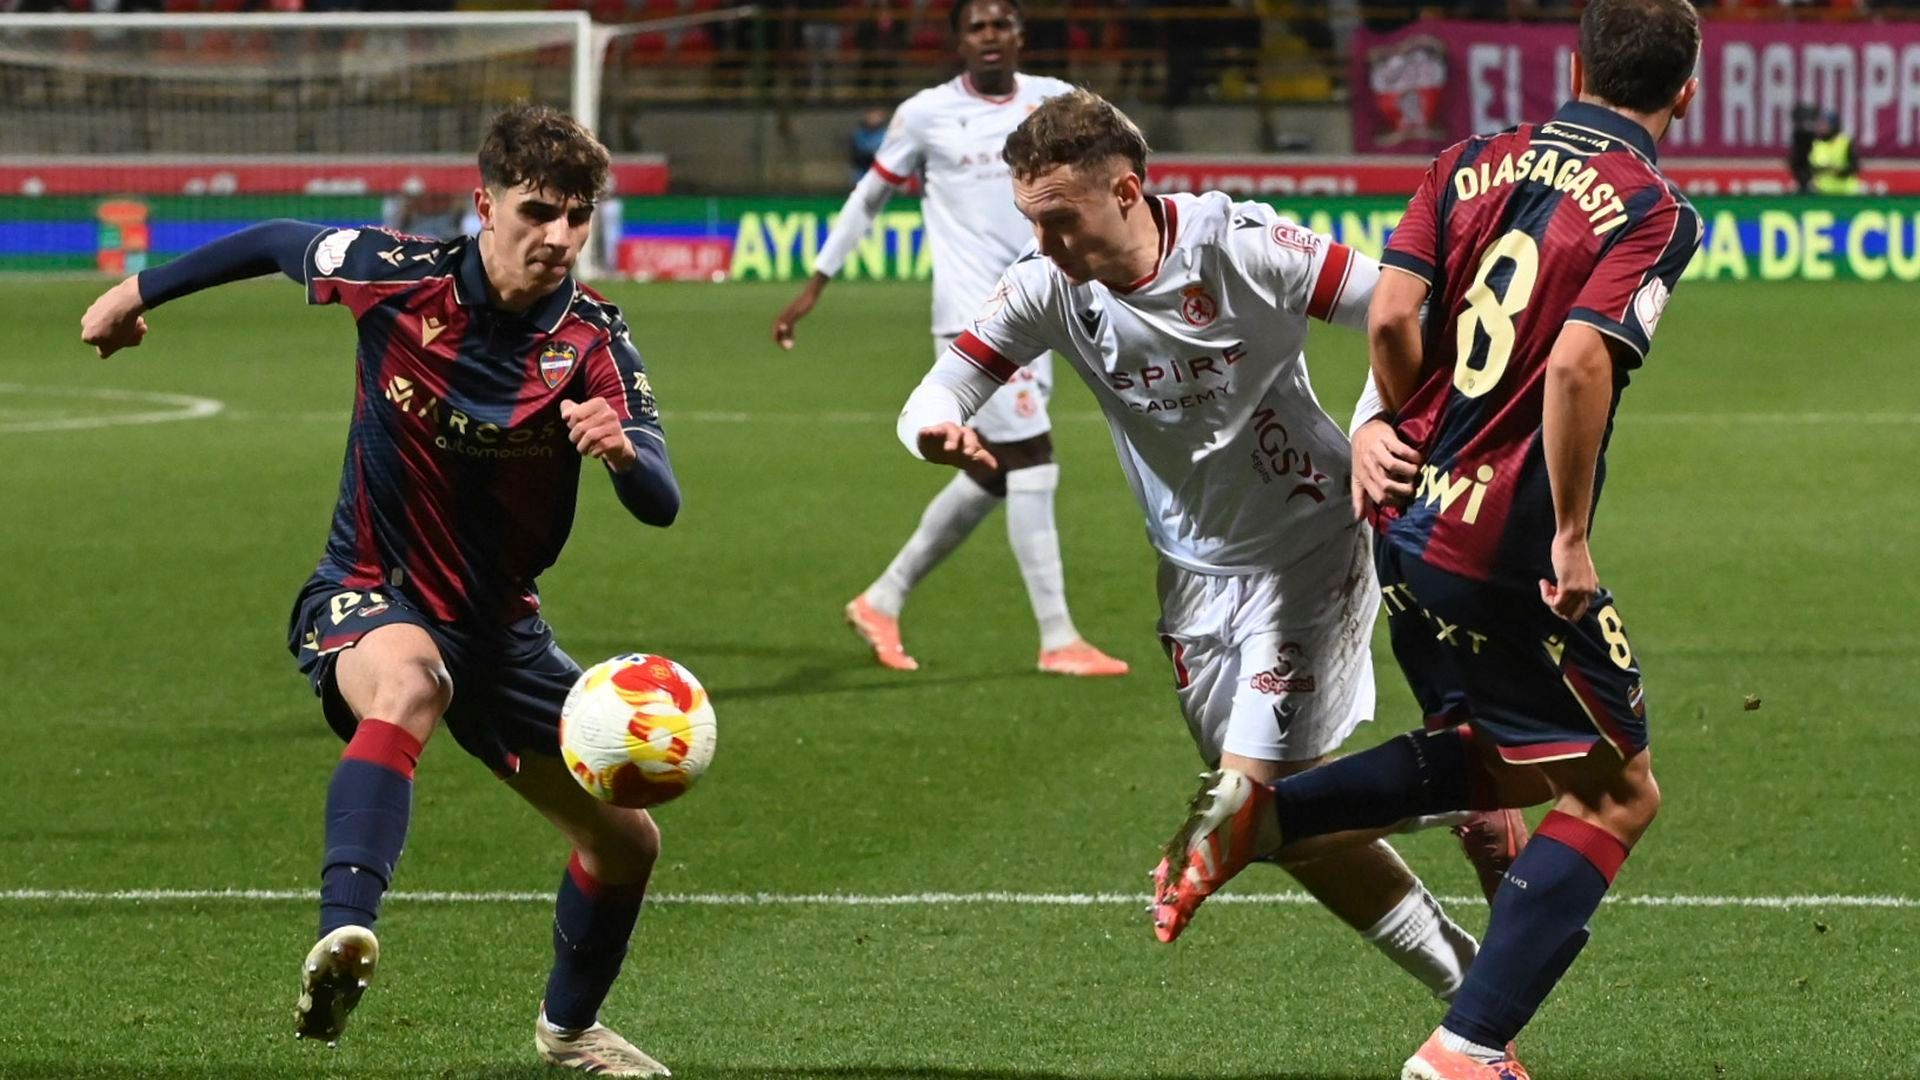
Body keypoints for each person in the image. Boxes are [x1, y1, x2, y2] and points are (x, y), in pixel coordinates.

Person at [1150, 0, 1705, 1075]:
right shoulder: (1651, 206)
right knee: (1619, 789)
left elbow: (1395, 319)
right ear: (1685, 89)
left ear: (1576, 60)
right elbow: (1583, 362)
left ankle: (1260, 822)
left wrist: (1402, 434)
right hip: (1505, 549)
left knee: (1489, 756)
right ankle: (1467, 1048)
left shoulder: (1468, 160)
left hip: (1405, 520)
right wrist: (1573, 536)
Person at [79, 104, 681, 1078]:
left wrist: (621, 455)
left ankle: (569, 1034)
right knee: (409, 688)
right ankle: (344, 938)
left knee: (626, 844)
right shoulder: (393, 278)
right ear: (483, 205)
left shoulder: (596, 342)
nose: (562, 238)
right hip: (374, 589)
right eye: (540, 213)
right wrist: (137, 289)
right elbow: (280, 242)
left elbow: (662, 501)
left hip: (502, 631)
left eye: (580, 217)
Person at [898, 87, 1524, 1006]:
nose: (1046, 246)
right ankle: (1469, 806)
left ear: (1128, 190)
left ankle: (1471, 1000)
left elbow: (1403, 315)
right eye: (1032, 223)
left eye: (1062, 221)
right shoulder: (1048, 286)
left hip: (1311, 542)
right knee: (1289, 825)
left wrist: (1375, 423)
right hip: (1193, 573)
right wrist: (937, 430)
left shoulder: (1243, 245)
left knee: (1242, 804)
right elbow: (937, 389)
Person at [772, 0, 1127, 678]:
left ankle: (883, 598)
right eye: (976, 26)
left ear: (1020, 34)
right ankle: (1058, 639)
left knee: (992, 473)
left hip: (1045, 305)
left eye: (1001, 24)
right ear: (959, 41)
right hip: (976, 316)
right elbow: (868, 198)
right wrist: (816, 282)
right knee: (1032, 459)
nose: (990, 36)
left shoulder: (1057, 104)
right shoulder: (927, 114)